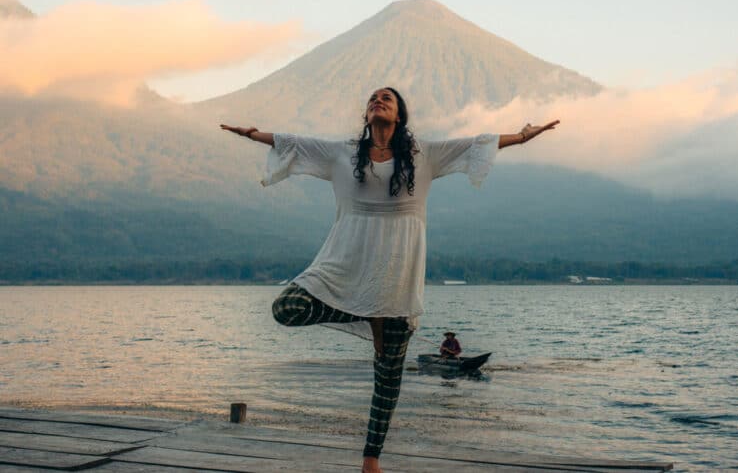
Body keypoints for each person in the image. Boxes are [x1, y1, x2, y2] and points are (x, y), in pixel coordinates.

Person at [220, 87, 558, 473]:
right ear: (367, 115)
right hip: (345, 267)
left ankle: (371, 459)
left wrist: (522, 136)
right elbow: (291, 143)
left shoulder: (423, 155)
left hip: (397, 277)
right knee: (287, 307)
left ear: (399, 115)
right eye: (372, 99)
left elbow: (475, 145)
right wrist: (251, 134)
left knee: (389, 375)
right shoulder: (341, 154)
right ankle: (367, 314)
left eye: (387, 98)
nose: (378, 101)